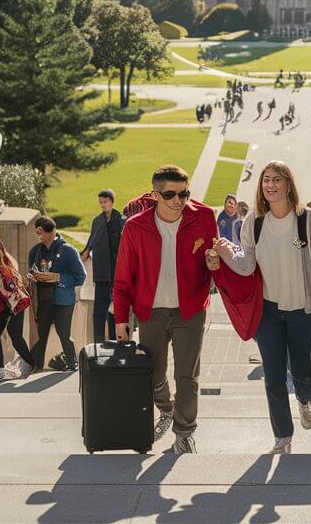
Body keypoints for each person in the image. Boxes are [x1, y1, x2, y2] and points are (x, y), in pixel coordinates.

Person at [214, 161, 311, 454]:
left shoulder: (308, 219)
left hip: (303, 310)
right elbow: (246, 267)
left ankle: (304, 401)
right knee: (273, 375)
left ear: (288, 184)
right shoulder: (254, 222)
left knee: (300, 371)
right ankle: (283, 437)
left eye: (276, 180)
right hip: (268, 312)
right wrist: (225, 254)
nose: (270, 185)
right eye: (266, 180)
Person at [113, 165, 217, 454]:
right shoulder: (135, 226)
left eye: (184, 193)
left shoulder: (205, 217)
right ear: (154, 194)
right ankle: (166, 408)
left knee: (187, 376)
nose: (178, 201)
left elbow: (215, 260)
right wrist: (121, 319)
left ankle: (184, 433)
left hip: (191, 310)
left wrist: (214, 264)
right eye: (170, 194)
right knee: (154, 373)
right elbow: (122, 279)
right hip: (151, 312)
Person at [0, 230, 36, 385]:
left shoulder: (0, 260)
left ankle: (30, 364)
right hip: (3, 304)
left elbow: (6, 284)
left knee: (14, 336)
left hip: (15, 302)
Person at [27, 216, 86, 371]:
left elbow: (81, 277)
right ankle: (37, 367)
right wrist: (33, 276)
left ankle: (72, 362)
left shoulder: (68, 250)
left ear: (52, 232)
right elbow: (31, 271)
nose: (39, 236)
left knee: (63, 332)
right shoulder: (35, 251)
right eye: (37, 232)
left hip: (64, 300)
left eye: (41, 232)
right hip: (44, 299)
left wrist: (59, 277)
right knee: (41, 333)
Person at [81, 190, 124, 343]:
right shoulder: (97, 221)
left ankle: (116, 342)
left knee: (115, 312)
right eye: (101, 202)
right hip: (101, 275)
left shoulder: (122, 220)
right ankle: (97, 344)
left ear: (112, 201)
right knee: (99, 312)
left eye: (106, 202)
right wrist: (81, 257)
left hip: (118, 275)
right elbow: (90, 244)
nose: (103, 205)